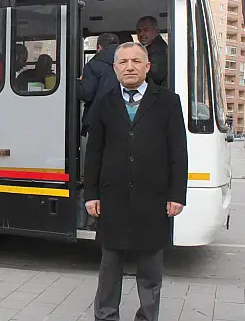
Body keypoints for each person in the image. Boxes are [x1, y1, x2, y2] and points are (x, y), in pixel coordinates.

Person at [83, 42, 188, 321]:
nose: (130, 67)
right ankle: (106, 316)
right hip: (112, 199)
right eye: (124, 62)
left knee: (151, 271)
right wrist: (90, 195)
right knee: (109, 269)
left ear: (147, 67)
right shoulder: (105, 103)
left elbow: (178, 151)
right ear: (115, 68)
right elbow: (94, 152)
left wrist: (176, 195)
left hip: (152, 200)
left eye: (136, 61)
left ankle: (147, 317)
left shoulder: (167, 101)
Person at [78, 33, 120, 137]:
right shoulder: (126, 62)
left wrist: (77, 83)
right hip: (121, 119)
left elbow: (86, 94)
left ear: (99, 47)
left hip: (98, 120)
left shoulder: (93, 65)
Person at [135, 16, 168, 87]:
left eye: (146, 30)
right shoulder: (149, 49)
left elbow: (155, 77)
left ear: (156, 31)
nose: (141, 34)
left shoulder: (159, 50)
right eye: (139, 30)